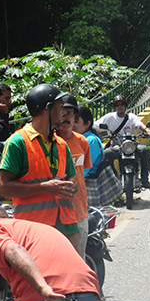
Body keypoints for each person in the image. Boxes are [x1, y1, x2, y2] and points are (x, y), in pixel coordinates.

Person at [0, 84, 81, 252]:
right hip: (34, 231)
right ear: (48, 108)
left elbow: (69, 179)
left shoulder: (61, 144)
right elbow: (3, 188)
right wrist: (45, 188)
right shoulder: (18, 142)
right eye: (60, 106)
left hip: (68, 227)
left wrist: (72, 186)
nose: (64, 111)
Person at [56, 93, 91, 258]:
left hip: (80, 212)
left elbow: (82, 174)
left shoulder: (83, 142)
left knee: (78, 262)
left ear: (75, 117)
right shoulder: (49, 143)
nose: (65, 117)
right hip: (56, 215)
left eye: (69, 113)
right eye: (61, 112)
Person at [95, 97, 150, 191]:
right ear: (114, 107)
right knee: (105, 155)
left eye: (122, 104)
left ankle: (144, 179)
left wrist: (147, 131)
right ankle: (113, 181)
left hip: (131, 145)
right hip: (117, 146)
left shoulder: (131, 117)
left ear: (125, 105)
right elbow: (95, 126)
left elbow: (138, 124)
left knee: (145, 150)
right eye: (117, 104)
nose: (120, 106)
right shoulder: (109, 117)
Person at [77, 106, 122, 208]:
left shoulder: (91, 140)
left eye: (76, 121)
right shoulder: (79, 139)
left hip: (88, 186)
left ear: (87, 124)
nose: (72, 124)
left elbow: (85, 168)